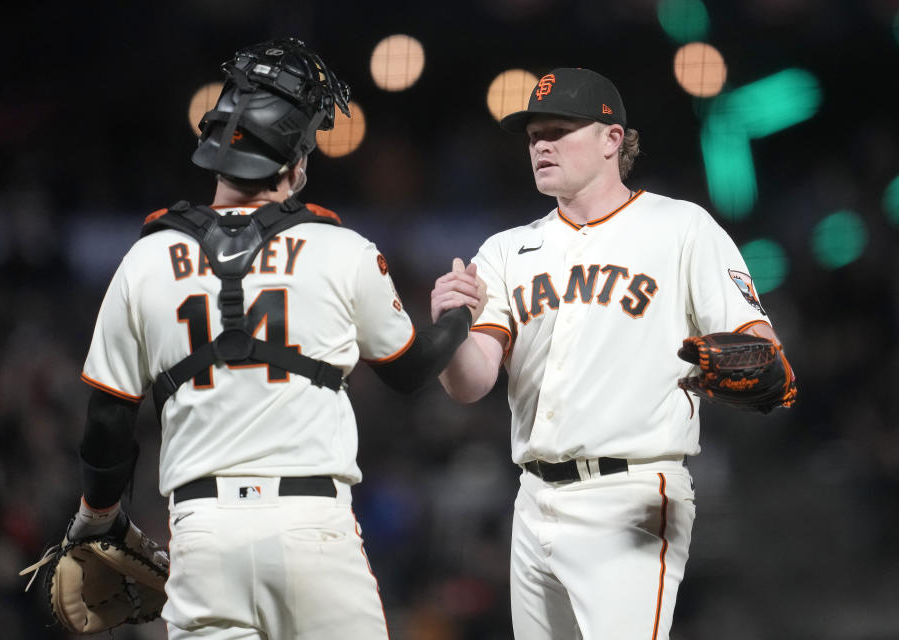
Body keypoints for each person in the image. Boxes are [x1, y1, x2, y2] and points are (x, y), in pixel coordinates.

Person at [65, 37, 483, 639]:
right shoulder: (342, 248)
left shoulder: (146, 258)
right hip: (313, 527)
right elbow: (411, 371)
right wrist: (458, 315)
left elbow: (108, 421)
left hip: (202, 532)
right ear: (295, 164)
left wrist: (95, 518)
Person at [430, 67, 797, 640]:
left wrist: (746, 366)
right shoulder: (506, 249)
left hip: (631, 493)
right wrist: (450, 331)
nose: (541, 144)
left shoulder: (680, 227)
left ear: (612, 139)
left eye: (559, 129)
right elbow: (469, 383)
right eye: (532, 135)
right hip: (533, 499)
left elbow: (764, 353)